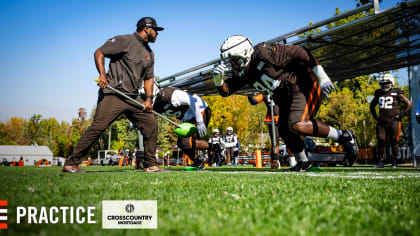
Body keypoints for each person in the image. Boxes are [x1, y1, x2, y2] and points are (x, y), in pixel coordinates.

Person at [213, 35, 358, 172]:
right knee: (283, 129)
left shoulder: (263, 53)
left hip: (304, 84)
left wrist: (322, 76)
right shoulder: (244, 72)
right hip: (285, 95)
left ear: (244, 54)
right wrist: (218, 81)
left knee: (297, 124)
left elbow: (301, 53)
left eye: (233, 61)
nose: (232, 66)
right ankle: (303, 162)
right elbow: (226, 91)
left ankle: (344, 136)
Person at [62, 17, 164, 173]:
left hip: (132, 97)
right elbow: (99, 52)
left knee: (151, 125)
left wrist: (148, 100)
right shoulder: (125, 40)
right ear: (147, 29)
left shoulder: (150, 54)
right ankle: (71, 163)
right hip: (113, 93)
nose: (157, 34)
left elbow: (149, 78)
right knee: (99, 127)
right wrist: (102, 74)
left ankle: (150, 165)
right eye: (156, 30)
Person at [153, 87, 211, 169]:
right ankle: (203, 157)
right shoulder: (154, 105)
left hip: (198, 109)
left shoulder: (167, 94)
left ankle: (207, 154)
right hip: (187, 117)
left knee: (186, 142)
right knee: (182, 144)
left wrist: (199, 121)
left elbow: (192, 101)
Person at [370, 74, 412, 168]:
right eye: (382, 83)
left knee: (394, 141)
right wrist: (375, 117)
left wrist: (401, 115)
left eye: (386, 83)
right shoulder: (378, 93)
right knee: (381, 140)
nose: (384, 85)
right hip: (382, 121)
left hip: (394, 121)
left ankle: (395, 161)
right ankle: (380, 161)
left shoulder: (397, 92)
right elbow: (372, 106)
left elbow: (409, 104)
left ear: (391, 82)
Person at [248, 93, 297, 169]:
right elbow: (254, 101)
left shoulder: (283, 90)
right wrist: (249, 94)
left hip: (285, 119)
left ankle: (293, 160)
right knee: (274, 142)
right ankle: (275, 161)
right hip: (272, 120)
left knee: (289, 140)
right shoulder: (265, 93)